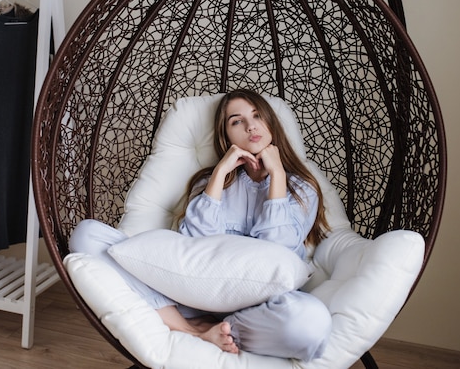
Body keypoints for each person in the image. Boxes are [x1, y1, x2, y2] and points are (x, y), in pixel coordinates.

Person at [69, 89, 332, 360]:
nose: (250, 126)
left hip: (261, 310)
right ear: (226, 136)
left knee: (311, 324)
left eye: (256, 116)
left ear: (270, 124)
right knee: (88, 235)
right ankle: (193, 330)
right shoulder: (209, 183)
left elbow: (278, 252)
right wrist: (219, 174)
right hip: (191, 301)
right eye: (236, 121)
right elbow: (192, 245)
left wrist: (277, 173)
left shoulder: (302, 188)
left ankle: (224, 331)